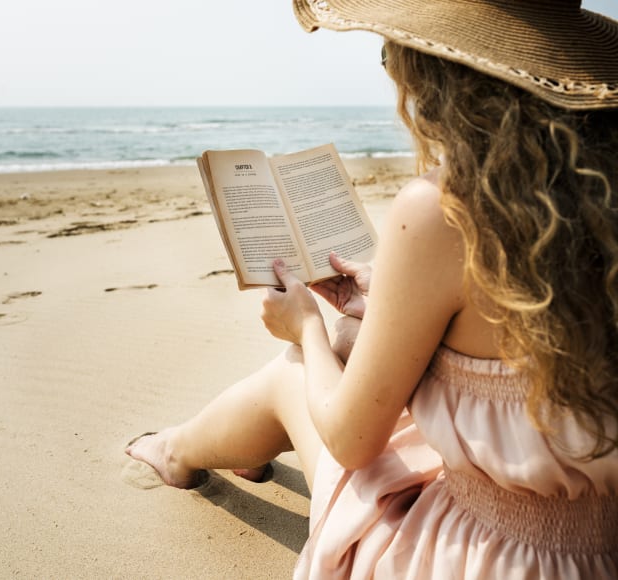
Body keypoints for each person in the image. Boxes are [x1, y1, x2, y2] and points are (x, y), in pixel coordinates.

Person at [126, 0, 618, 577]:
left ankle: (177, 451)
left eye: (393, 55)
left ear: (441, 73)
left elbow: (350, 440)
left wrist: (304, 325)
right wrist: (390, 305)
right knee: (350, 345)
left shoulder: (447, 212)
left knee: (300, 364)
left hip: (484, 558)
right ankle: (221, 447)